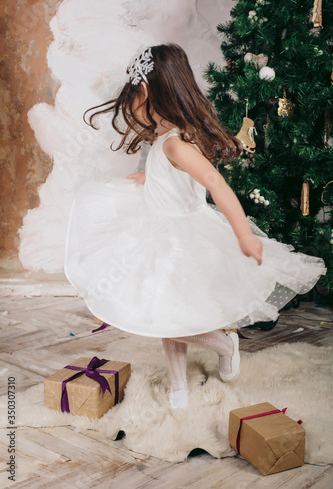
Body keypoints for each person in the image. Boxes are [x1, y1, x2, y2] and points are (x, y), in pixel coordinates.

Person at [64, 43, 326, 409]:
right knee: (165, 311)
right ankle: (178, 386)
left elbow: (215, 184)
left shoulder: (175, 145)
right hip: (156, 230)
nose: (134, 111)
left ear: (148, 93)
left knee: (174, 315)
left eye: (135, 99)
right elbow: (175, 180)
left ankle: (223, 343)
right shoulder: (167, 139)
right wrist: (149, 180)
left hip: (182, 239)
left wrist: (244, 234)